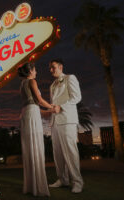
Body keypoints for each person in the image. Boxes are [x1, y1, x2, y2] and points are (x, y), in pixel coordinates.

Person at [18, 63, 56, 197]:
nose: (36, 71)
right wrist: (52, 107)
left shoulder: (22, 84)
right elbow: (39, 100)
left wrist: (48, 111)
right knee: (36, 146)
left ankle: (30, 186)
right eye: (35, 69)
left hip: (25, 113)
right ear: (30, 71)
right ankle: (38, 187)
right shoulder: (31, 81)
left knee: (30, 147)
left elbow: (31, 103)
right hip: (31, 114)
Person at [48, 58, 84, 193]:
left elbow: (76, 97)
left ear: (61, 67)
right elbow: (54, 103)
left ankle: (77, 182)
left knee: (70, 151)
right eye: (50, 68)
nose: (51, 70)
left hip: (67, 119)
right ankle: (62, 179)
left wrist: (61, 106)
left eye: (53, 67)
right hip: (55, 122)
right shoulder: (52, 85)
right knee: (57, 153)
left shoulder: (70, 78)